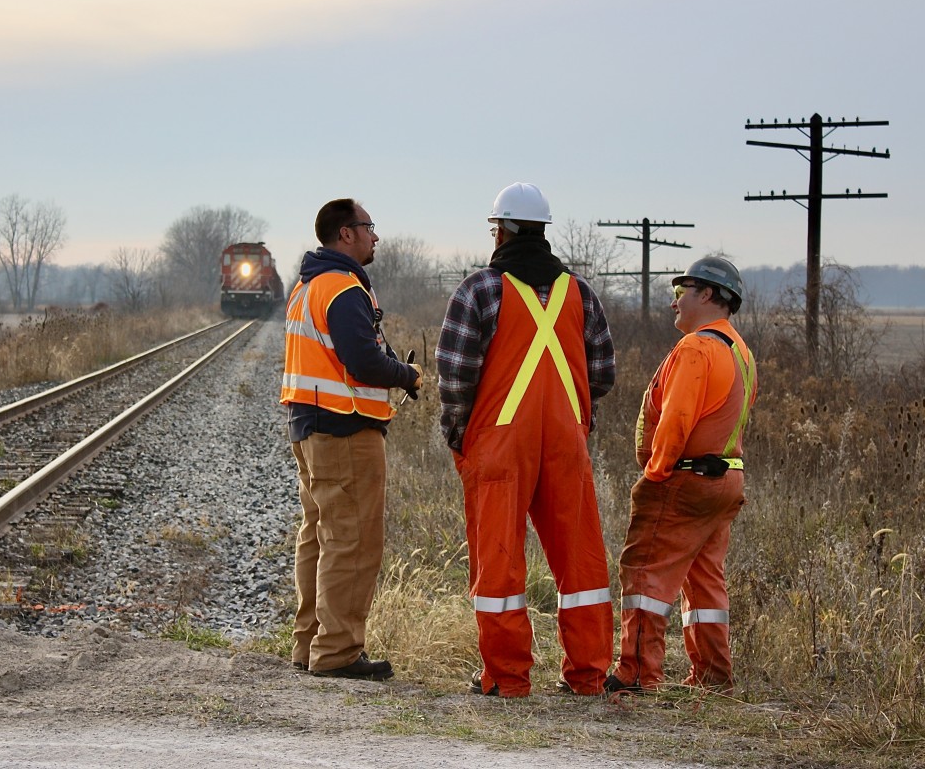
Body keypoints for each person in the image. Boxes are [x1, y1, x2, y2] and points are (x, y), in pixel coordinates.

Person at [436, 182, 616, 697]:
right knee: (581, 563)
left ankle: (507, 678)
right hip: (566, 444)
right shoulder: (580, 293)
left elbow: (455, 377)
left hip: (498, 445)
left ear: (501, 231)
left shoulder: (478, 290)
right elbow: (601, 374)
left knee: (499, 563)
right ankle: (587, 676)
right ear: (543, 231)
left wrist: (461, 437)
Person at [280, 198, 423, 680]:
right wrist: (409, 376)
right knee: (353, 541)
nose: (375, 236)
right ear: (346, 234)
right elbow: (362, 360)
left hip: (310, 426)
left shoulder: (307, 286)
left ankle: (309, 645)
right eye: (369, 227)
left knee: (318, 537)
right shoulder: (343, 289)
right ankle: (338, 652)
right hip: (345, 427)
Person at [606, 256, 757, 695]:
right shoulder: (740, 351)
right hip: (725, 481)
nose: (675, 303)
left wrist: (655, 474)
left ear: (708, 295)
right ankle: (713, 678)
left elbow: (677, 419)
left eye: (680, 293)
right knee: (705, 580)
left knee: (644, 573)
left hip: (686, 480)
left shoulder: (697, 348)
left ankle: (636, 675)